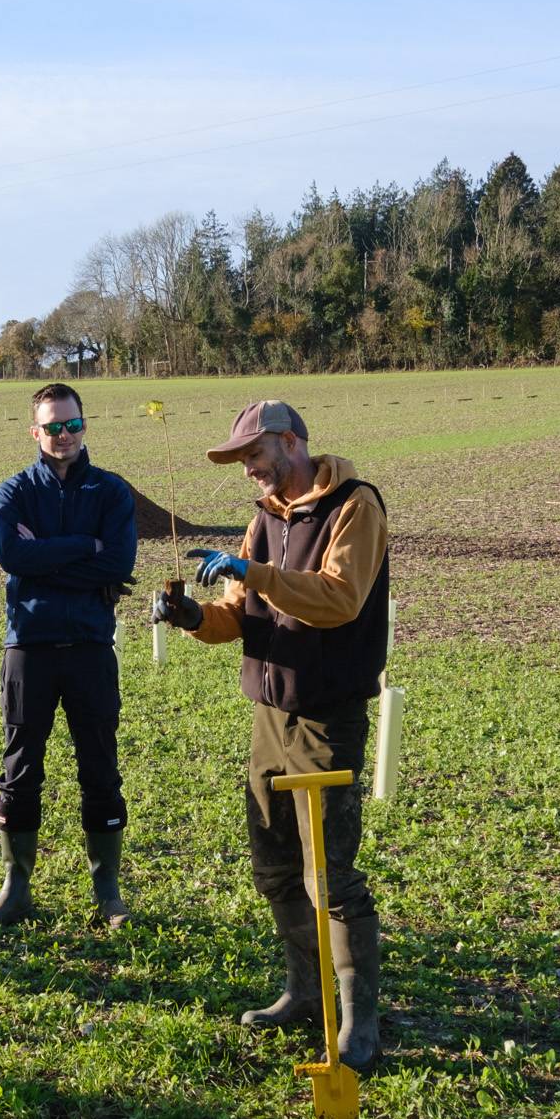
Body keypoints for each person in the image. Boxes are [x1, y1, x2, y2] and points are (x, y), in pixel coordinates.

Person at [151, 401, 389, 1070]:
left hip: (326, 718)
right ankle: (305, 992)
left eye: (254, 455)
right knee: (275, 867)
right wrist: (194, 615)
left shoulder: (354, 505)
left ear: (291, 441)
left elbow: (339, 598)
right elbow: (238, 616)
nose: (249, 470)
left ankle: (359, 1020)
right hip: (269, 716)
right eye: (242, 461)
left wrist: (250, 573)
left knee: (331, 879)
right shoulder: (263, 519)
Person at [0, 382, 138, 926]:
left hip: (91, 648)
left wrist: (46, 555)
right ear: (35, 432)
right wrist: (84, 546)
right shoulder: (12, 493)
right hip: (28, 645)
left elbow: (118, 564)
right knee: (20, 768)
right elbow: (11, 554)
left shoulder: (113, 492)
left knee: (100, 767)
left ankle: (108, 893)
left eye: (71, 425)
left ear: (84, 425)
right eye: (52, 427)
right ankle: (16, 888)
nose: (63, 435)